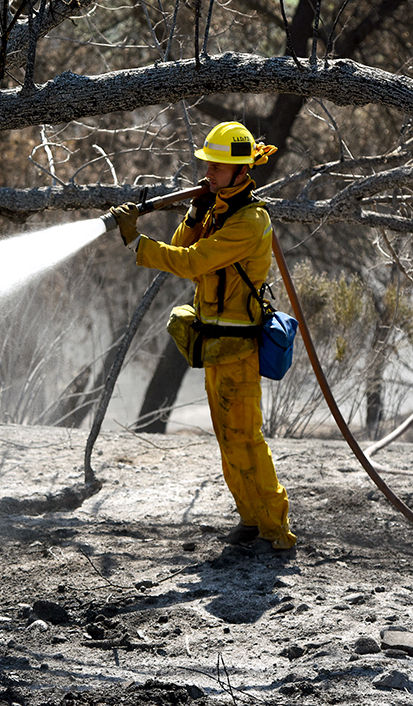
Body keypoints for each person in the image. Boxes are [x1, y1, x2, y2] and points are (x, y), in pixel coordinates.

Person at [109, 121, 297, 551]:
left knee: (246, 439)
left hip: (240, 347)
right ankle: (251, 520)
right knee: (229, 439)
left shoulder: (249, 221)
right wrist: (195, 211)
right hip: (216, 345)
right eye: (207, 166)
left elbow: (193, 263)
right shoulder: (217, 208)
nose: (208, 173)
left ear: (241, 171)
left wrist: (136, 242)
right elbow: (182, 241)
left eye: (217, 167)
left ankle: (276, 530)